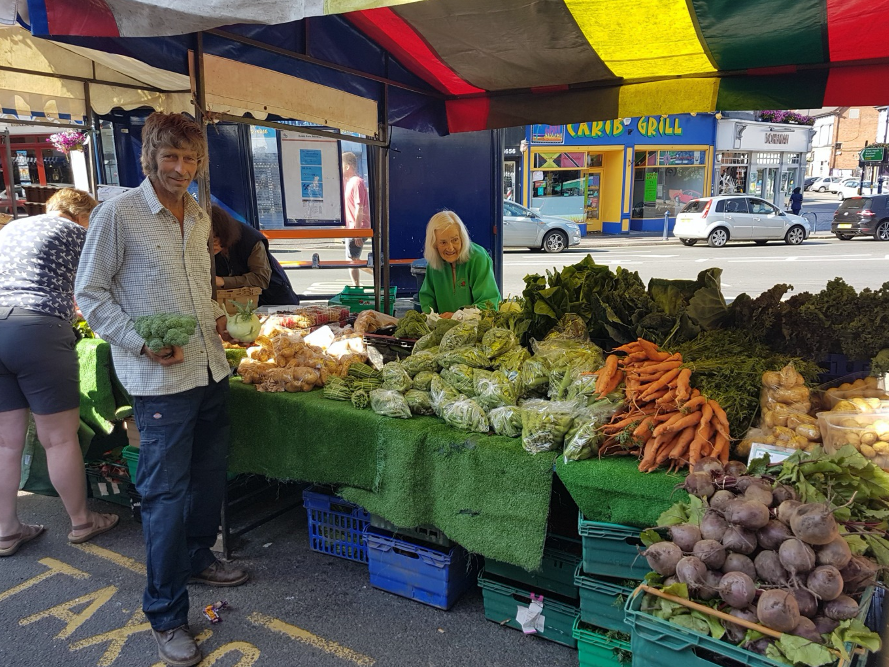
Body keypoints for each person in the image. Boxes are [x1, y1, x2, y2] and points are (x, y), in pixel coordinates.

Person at [75, 112, 247, 667]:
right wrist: (139, 342)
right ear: (149, 158)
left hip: (209, 370)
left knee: (206, 478)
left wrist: (217, 317)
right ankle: (167, 614)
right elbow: (91, 294)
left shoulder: (198, 217)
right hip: (159, 381)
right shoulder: (118, 214)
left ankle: (199, 555)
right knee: (165, 497)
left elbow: (198, 289)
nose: (181, 169)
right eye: (170, 158)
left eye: (190, 159)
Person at [0, 188, 119, 557]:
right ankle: (83, 521)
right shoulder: (76, 234)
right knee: (59, 438)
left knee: (5, 442)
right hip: (38, 330)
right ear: (81, 215)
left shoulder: (11, 230)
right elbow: (95, 290)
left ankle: (6, 531)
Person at [418, 210, 501, 317]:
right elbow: (427, 299)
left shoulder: (478, 258)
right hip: (444, 331)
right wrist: (429, 317)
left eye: (455, 240)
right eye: (443, 242)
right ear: (434, 244)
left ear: (462, 238)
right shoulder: (434, 262)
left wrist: (458, 316)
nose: (450, 248)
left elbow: (488, 304)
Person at [211, 207, 299, 306]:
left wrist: (223, 281)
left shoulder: (250, 239)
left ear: (224, 235)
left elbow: (261, 279)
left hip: (272, 300)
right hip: (235, 304)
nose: (209, 246)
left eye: (213, 240)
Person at [342, 151, 370, 287]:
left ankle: (379, 277)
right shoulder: (349, 183)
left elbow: (359, 208)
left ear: (348, 166)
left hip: (357, 227)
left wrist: (357, 232)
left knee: (353, 261)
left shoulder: (356, 182)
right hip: (352, 228)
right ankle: (357, 286)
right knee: (353, 260)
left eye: (341, 164)